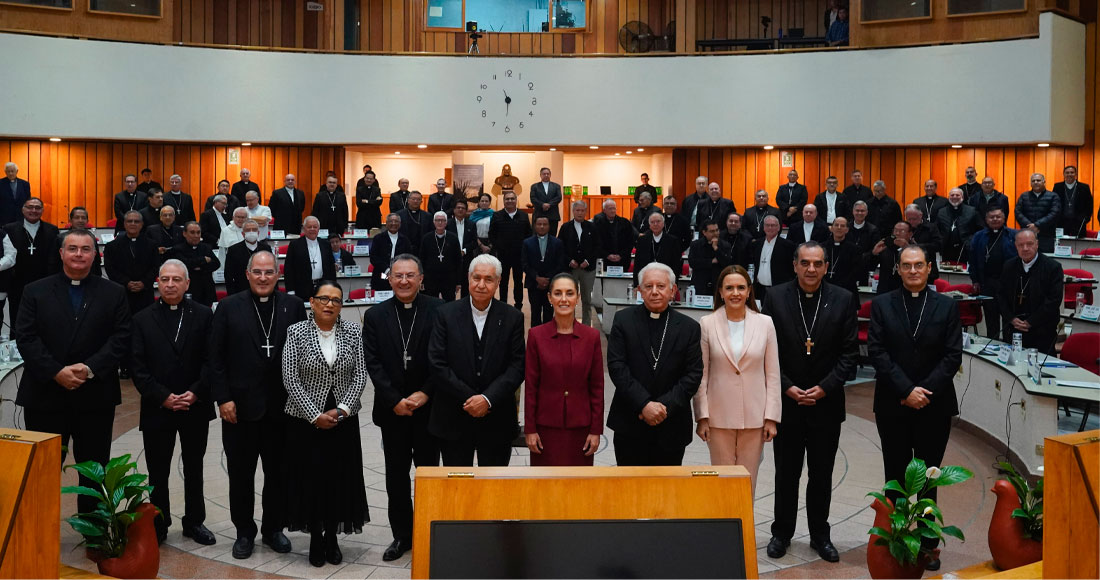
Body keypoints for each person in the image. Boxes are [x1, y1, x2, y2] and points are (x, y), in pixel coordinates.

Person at [15, 229, 130, 515]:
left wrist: (90, 368)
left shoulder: (113, 292)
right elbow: (26, 337)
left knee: (94, 469)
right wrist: (56, 371)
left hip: (95, 395)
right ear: (61, 253)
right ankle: (41, 533)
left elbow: (122, 337)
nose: (79, 254)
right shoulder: (35, 290)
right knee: (43, 467)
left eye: (85, 249)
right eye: (73, 248)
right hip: (45, 396)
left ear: (96, 254)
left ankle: (94, 532)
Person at [762, 243, 859, 562]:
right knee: (786, 473)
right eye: (805, 263)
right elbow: (767, 351)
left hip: (826, 405)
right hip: (787, 404)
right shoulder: (775, 297)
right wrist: (788, 388)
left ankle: (820, 534)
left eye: (817, 263)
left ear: (826, 265)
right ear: (794, 265)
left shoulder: (843, 299)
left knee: (821, 474)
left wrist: (823, 388)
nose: (811, 269)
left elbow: (849, 355)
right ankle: (782, 533)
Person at [868, 245, 962, 573]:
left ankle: (928, 544)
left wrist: (924, 392)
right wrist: (906, 390)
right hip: (894, 404)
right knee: (894, 475)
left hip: (934, 407)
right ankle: (893, 540)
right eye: (906, 266)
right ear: (897, 268)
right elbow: (877, 352)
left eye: (918, 265)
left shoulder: (947, 306)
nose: (912, 271)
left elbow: (952, 355)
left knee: (928, 478)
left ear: (929, 267)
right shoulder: (881, 305)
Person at [210, 251, 306, 559]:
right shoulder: (227, 307)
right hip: (239, 409)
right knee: (241, 474)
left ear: (278, 275)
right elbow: (215, 359)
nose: (263, 277)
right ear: (248, 274)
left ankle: (273, 529)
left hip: (282, 409)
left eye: (269, 272)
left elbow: (302, 357)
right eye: (258, 272)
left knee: (278, 473)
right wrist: (223, 398)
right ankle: (244, 532)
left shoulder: (292, 306)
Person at [282, 280, 369, 568]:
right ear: (312, 301)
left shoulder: (354, 331)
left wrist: (342, 410)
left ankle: (332, 536)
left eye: (336, 300)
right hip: (306, 424)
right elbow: (290, 378)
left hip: (343, 421)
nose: (330, 304)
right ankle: (316, 538)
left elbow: (360, 375)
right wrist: (314, 414)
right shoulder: (295, 332)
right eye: (324, 298)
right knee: (312, 479)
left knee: (338, 480)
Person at [130, 259, 216, 546]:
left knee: (194, 467)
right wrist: (163, 396)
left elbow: (211, 360)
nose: (170, 284)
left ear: (187, 283)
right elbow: (137, 368)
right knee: (158, 470)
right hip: (157, 408)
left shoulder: (204, 316)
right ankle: (159, 522)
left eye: (176, 279)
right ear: (157, 281)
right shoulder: (142, 318)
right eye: (165, 279)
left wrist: (196, 392)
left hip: (195, 405)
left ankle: (194, 522)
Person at [363, 255, 443, 562]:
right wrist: (394, 399)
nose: (404, 281)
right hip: (392, 411)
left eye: (411, 275)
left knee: (427, 474)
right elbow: (373, 362)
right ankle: (402, 535)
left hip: (428, 409)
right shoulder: (375, 315)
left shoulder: (439, 310)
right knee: (395, 476)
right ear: (389, 278)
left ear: (421, 278)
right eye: (398, 275)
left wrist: (425, 393)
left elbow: (442, 358)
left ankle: (428, 530)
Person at [428, 254, 526, 466]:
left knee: (494, 490)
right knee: (457, 488)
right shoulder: (445, 314)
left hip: (496, 416)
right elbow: (437, 363)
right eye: (477, 278)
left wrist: (487, 399)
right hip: (453, 414)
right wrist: (472, 399)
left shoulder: (512, 317)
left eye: (489, 279)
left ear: (498, 282)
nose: (481, 285)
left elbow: (517, 366)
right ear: (468, 278)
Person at [694, 264, 779, 492]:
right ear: (720, 292)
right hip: (718, 417)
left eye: (741, 287)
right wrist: (702, 416)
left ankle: (745, 528)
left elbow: (772, 374)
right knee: (721, 483)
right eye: (729, 288)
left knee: (746, 483)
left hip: (755, 416)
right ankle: (723, 528)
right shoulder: (707, 324)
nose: (735, 293)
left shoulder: (765, 324)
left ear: (749, 291)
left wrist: (771, 417)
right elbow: (701, 376)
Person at [607, 263, 703, 466]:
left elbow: (693, 375)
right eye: (648, 286)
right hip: (630, 422)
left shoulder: (689, 327)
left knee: (666, 494)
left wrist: (662, 408)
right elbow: (617, 367)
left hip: (672, 424)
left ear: (673, 290)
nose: (654, 292)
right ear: (639, 290)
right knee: (629, 492)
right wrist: (644, 404)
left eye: (661, 286)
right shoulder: (623, 320)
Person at [525, 273, 604, 466]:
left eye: (569, 293)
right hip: (545, 427)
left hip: (581, 427)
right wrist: (530, 429)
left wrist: (596, 430)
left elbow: (597, 387)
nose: (563, 299)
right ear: (550, 298)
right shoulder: (536, 335)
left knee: (578, 489)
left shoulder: (591, 337)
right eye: (558, 293)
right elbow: (531, 387)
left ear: (577, 298)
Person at [997, 229, 1063, 354]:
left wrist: (1030, 322)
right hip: (1014, 328)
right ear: (1016, 246)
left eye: (1029, 244)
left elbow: (1053, 301)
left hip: (1042, 329)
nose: (1025, 248)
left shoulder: (1052, 267)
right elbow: (1001, 296)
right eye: (1021, 245)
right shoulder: (1009, 266)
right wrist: (1011, 318)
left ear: (1037, 244)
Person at [3, 197, 60, 321]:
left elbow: (54, 258)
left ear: (42, 210)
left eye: (37, 208)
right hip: (16, 283)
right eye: (30, 207)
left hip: (45, 282)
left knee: (44, 318)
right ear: (23, 209)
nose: (34, 210)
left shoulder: (52, 230)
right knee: (17, 317)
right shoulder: (9, 229)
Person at [969, 208, 1017, 340]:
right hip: (987, 282)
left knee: (1008, 317)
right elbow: (972, 259)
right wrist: (975, 280)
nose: (995, 219)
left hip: (1008, 283)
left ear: (1004, 218)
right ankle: (992, 344)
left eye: (998, 217)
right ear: (986, 219)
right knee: (991, 317)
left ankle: (1008, 346)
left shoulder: (1013, 235)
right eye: (991, 217)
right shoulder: (979, 236)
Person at [104, 211, 159, 324]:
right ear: (124, 224)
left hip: (145, 293)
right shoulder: (112, 246)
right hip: (122, 293)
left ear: (142, 224)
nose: (133, 224)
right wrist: (126, 282)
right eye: (129, 221)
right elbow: (110, 269)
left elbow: (155, 267)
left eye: (136, 221)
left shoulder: (152, 245)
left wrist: (143, 282)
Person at [557, 200, 600, 326]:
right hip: (571, 269)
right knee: (570, 297)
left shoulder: (592, 227)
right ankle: (570, 323)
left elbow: (597, 246)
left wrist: (588, 261)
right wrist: (569, 261)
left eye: (582, 210)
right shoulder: (565, 227)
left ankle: (586, 325)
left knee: (587, 299)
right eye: (577, 210)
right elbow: (560, 247)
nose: (580, 213)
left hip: (588, 269)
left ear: (586, 212)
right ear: (573, 211)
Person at [488, 191, 531, 309]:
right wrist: (498, 247)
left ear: (516, 200)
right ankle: (503, 305)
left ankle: (518, 306)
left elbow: (529, 234)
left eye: (512, 199)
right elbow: (492, 234)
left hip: (519, 255)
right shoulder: (497, 215)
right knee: (503, 282)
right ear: (504, 201)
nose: (510, 201)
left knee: (518, 282)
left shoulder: (523, 215)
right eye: (507, 199)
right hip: (503, 255)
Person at [522, 216, 566, 326]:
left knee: (549, 314)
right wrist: (537, 278)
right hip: (533, 283)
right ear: (535, 226)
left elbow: (560, 264)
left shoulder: (557, 243)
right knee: (535, 313)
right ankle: (535, 340)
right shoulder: (527, 243)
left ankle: (548, 340)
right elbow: (524, 264)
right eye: (539, 224)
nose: (542, 226)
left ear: (549, 226)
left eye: (545, 224)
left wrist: (548, 279)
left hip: (551, 284)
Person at [168, 222, 219, 306]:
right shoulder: (177, 249)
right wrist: (203, 260)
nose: (196, 235)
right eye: (192, 232)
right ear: (184, 233)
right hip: (188, 290)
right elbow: (184, 265)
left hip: (207, 290)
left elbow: (216, 264)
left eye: (198, 232)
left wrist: (199, 267)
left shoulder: (206, 247)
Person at [284, 216, 337, 298]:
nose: (312, 229)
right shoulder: (295, 245)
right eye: (309, 227)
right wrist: (291, 291)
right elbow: (289, 269)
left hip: (323, 288)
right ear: (304, 229)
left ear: (318, 229)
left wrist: (332, 287)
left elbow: (331, 269)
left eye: (315, 227)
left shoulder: (326, 244)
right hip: (301, 289)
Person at [750, 215, 795, 300]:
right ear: (764, 227)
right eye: (767, 225)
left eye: (773, 225)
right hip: (760, 289)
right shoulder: (756, 244)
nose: (770, 227)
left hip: (779, 289)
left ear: (778, 228)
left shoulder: (788, 246)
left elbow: (792, 270)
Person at [1014, 173, 1062, 253]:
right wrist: (1030, 226)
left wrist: (1037, 225)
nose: (1036, 182)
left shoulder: (1053, 196)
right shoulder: (1024, 196)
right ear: (1030, 183)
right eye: (1033, 181)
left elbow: (1054, 213)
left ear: (1044, 182)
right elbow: (1018, 212)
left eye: (1038, 180)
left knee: (1046, 262)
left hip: (1046, 236)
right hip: (1027, 235)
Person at [420, 212, 463, 301]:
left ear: (446, 223)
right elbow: (422, 259)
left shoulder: (453, 238)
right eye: (437, 220)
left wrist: (458, 282)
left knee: (449, 305)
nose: (440, 223)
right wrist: (421, 279)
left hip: (449, 279)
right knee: (430, 303)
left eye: (443, 220)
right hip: (430, 278)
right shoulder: (426, 238)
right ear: (434, 222)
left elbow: (458, 260)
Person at [633, 212, 682, 287]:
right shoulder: (642, 240)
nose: (655, 224)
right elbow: (637, 264)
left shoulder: (672, 241)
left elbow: (676, 265)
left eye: (658, 221)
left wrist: (673, 284)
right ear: (649, 226)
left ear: (663, 224)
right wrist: (636, 285)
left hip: (665, 280)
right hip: (646, 279)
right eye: (652, 222)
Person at [934, 187, 982, 263]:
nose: (955, 197)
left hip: (965, 249)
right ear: (948, 197)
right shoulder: (941, 212)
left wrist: (971, 241)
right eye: (952, 195)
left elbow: (980, 230)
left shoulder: (972, 211)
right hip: (946, 249)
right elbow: (936, 230)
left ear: (962, 197)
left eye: (957, 195)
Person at [224, 221, 271, 296]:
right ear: (243, 234)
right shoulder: (233, 250)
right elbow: (228, 275)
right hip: (240, 291)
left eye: (254, 230)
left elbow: (271, 269)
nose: (251, 232)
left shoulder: (266, 248)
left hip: (262, 289)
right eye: (248, 230)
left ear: (258, 233)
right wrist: (231, 295)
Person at [689, 220, 732, 297]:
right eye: (712, 231)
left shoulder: (725, 245)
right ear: (704, 232)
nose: (715, 233)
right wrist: (711, 261)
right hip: (700, 284)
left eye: (717, 230)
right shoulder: (696, 245)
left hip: (718, 284)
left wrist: (716, 248)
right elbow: (693, 262)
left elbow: (726, 263)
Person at [823, 217, 862, 301]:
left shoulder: (855, 249)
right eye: (836, 225)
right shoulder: (822, 247)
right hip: (824, 290)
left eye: (842, 226)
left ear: (847, 230)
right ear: (831, 228)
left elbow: (856, 272)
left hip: (847, 291)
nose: (839, 228)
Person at [370, 213, 411, 292]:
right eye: (391, 221)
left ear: (400, 224)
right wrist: (387, 270)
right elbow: (373, 258)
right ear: (386, 223)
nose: (393, 224)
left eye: (396, 221)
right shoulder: (378, 238)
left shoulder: (405, 240)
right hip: (381, 275)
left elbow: (408, 257)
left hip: (400, 276)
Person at [593, 198, 634, 273]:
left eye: (614, 208)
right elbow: (596, 243)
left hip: (622, 260)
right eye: (610, 209)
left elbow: (630, 242)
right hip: (605, 261)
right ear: (604, 210)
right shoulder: (598, 224)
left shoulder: (625, 223)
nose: (613, 211)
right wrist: (607, 255)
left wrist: (620, 255)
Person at [448, 199, 480, 297]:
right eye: (458, 208)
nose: (460, 210)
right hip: (451, 259)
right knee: (450, 286)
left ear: (466, 210)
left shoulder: (471, 224)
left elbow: (474, 242)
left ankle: (464, 308)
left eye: (463, 208)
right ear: (454, 210)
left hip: (466, 258)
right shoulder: (448, 224)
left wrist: (464, 251)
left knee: (466, 285)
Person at [872, 221, 913, 294]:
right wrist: (874, 254)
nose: (897, 233)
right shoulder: (885, 247)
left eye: (902, 231)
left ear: (910, 234)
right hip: (885, 291)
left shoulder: (917, 250)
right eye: (895, 230)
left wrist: (907, 248)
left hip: (907, 291)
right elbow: (869, 267)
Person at [1054, 165, 1093, 238]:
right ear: (1064, 174)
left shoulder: (1084, 187)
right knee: (1061, 244)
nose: (1069, 174)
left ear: (1076, 174)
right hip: (1061, 223)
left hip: (1078, 223)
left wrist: (1085, 219)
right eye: (1067, 172)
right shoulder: (1057, 187)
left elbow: (1089, 205)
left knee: (1079, 245)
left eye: (1072, 172)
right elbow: (1054, 204)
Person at [64, 207, 102, 277]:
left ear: (87, 221)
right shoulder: (61, 238)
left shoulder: (91, 238)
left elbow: (96, 263)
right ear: (70, 220)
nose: (80, 220)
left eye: (83, 218)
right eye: (77, 217)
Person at [848, 201, 880, 283]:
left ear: (866, 213)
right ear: (853, 211)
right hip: (847, 267)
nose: (859, 213)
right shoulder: (846, 228)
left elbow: (873, 251)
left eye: (862, 211)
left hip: (865, 268)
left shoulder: (873, 230)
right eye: (857, 210)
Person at [530, 167, 563, 236]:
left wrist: (549, 204)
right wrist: (542, 205)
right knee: (537, 236)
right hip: (539, 214)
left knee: (552, 237)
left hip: (553, 215)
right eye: (544, 174)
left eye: (548, 174)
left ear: (550, 175)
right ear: (540, 175)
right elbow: (533, 198)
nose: (546, 175)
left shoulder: (556, 186)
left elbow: (559, 197)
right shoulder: (534, 186)